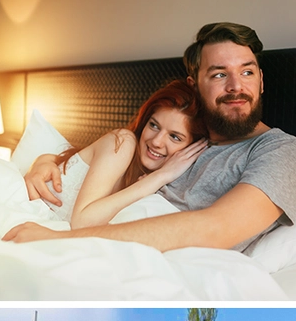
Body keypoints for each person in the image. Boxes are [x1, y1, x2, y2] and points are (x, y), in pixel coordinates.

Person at [4, 22, 296, 252]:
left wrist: (61, 240)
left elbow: (217, 228)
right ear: (194, 86)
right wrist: (46, 159)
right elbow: (108, 162)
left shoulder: (282, 152)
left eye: (247, 72)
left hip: (117, 250)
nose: (236, 86)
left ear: (261, 81)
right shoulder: (189, 138)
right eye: (219, 74)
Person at [29, 79, 209, 229]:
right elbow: (82, 222)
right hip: (28, 215)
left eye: (174, 137)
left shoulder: (164, 188)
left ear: (191, 148)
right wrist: (160, 176)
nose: (156, 141)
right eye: (154, 125)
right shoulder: (124, 141)